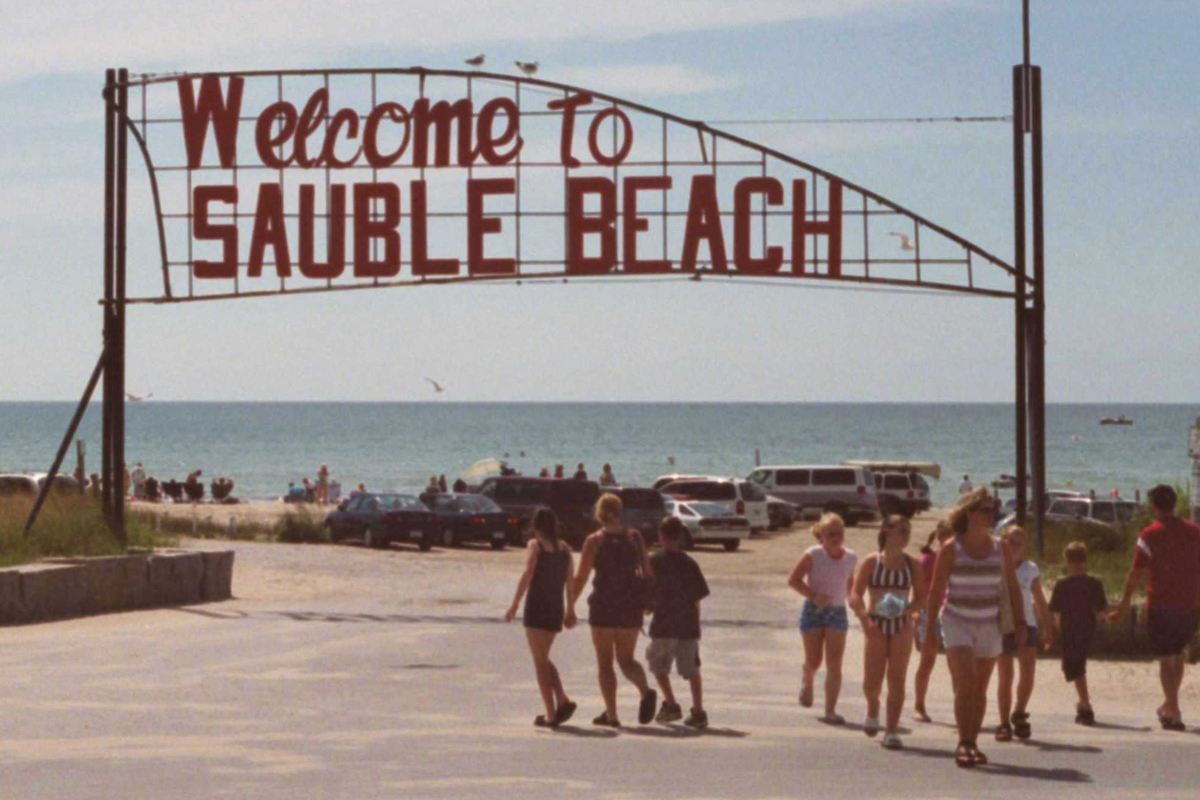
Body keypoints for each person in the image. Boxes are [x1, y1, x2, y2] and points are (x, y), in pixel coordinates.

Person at [924, 487, 1025, 768]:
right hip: (957, 620)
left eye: (993, 510)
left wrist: (1019, 622)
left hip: (989, 622)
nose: (991, 515)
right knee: (966, 682)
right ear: (969, 514)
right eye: (985, 510)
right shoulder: (951, 548)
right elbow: (935, 591)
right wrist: (929, 628)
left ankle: (972, 741)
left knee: (980, 687)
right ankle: (963, 742)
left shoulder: (1000, 547)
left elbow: (1012, 587)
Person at [1109, 484, 1200, 731]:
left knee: (1166, 659)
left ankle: (1176, 712)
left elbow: (1135, 573)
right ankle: (1168, 706)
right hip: (1190, 604)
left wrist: (1124, 604)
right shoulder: (1194, 531)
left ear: (1154, 506)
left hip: (1161, 604)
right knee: (1177, 655)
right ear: (1174, 504)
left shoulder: (1149, 534)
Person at [569, 493, 657, 727]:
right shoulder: (636, 538)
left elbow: (580, 578)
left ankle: (612, 715)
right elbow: (648, 573)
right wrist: (649, 601)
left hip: (603, 608)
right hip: (630, 608)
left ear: (599, 513)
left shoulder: (594, 541)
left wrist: (569, 607)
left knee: (605, 663)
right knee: (627, 659)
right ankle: (646, 690)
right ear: (620, 512)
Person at [850, 515, 926, 750]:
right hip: (876, 623)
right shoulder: (872, 562)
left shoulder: (912, 563)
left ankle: (891, 730)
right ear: (887, 530)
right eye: (901, 530)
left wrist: (910, 610)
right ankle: (873, 708)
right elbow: (855, 594)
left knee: (897, 677)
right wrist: (864, 618)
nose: (906, 535)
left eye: (908, 531)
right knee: (871, 680)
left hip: (901, 625)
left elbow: (922, 596)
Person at [505, 507, 578, 728]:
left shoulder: (535, 546)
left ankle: (550, 714)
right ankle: (562, 700)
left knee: (540, 662)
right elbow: (570, 581)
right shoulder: (565, 549)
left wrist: (515, 604)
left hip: (537, 607)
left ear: (535, 526)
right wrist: (571, 609)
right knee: (543, 658)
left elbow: (528, 573)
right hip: (555, 608)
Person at [787, 512, 857, 724]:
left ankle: (830, 710)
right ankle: (807, 678)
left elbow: (850, 583)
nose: (835, 538)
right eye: (830, 534)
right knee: (814, 660)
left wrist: (852, 600)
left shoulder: (851, 557)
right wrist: (814, 596)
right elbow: (794, 580)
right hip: (813, 611)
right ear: (822, 535)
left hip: (837, 612)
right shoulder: (814, 554)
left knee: (835, 663)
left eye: (839, 533)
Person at [647, 516, 711, 729]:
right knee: (692, 669)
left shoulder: (655, 561)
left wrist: (645, 608)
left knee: (658, 666)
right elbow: (696, 599)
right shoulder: (689, 563)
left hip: (664, 624)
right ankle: (699, 710)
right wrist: (697, 625)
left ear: (662, 536)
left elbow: (648, 592)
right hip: (687, 625)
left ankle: (671, 703)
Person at [994, 525, 1053, 741]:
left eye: (1019, 541)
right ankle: (1002, 722)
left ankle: (1019, 712)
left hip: (1027, 623)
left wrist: (1048, 627)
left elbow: (1039, 599)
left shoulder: (1030, 569)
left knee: (1028, 671)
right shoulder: (995, 564)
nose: (1015, 545)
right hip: (1002, 623)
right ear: (1003, 541)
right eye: (1011, 540)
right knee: (1005, 674)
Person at [1050, 541, 1109, 725]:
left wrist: (1056, 632)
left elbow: (1056, 613)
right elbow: (1101, 613)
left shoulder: (1061, 584)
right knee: (1077, 665)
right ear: (1085, 560)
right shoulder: (1095, 583)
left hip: (1069, 629)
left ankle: (1085, 705)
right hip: (1087, 628)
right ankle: (1083, 703)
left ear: (1066, 560)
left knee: (1074, 666)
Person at [913, 520, 954, 722]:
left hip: (953, 610)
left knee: (957, 662)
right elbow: (919, 588)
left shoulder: (960, 557)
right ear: (939, 538)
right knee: (927, 660)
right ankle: (919, 704)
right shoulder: (929, 559)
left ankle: (962, 706)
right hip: (929, 611)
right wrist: (917, 613)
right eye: (945, 536)